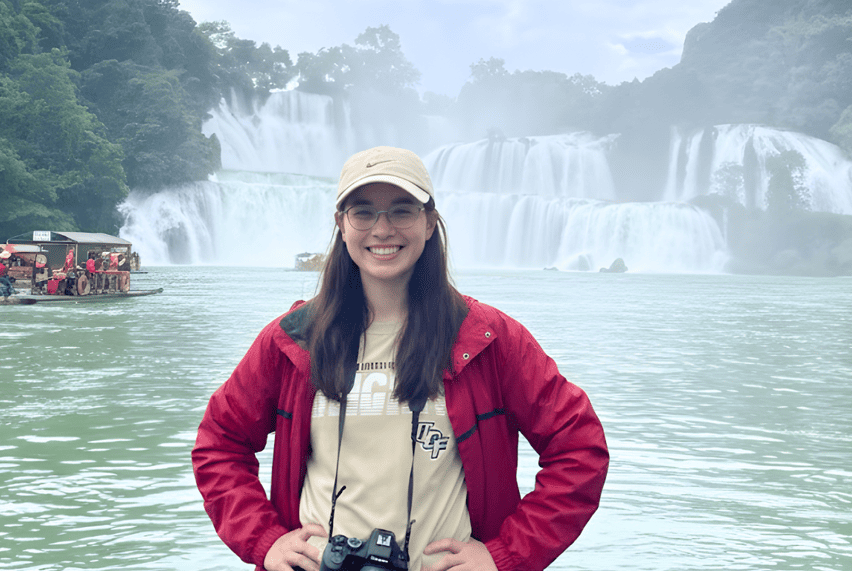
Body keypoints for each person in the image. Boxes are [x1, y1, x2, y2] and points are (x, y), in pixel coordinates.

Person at [192, 146, 609, 571]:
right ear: (341, 224)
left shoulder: (489, 339)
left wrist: (505, 555)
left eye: (402, 211)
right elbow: (219, 443)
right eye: (364, 211)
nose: (382, 229)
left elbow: (580, 448)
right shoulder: (293, 341)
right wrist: (265, 542)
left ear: (429, 223)